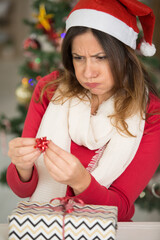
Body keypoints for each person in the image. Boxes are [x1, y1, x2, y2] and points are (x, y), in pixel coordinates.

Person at [7, 0, 160, 221]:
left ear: (125, 55)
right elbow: (22, 190)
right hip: (45, 227)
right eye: (79, 58)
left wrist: (81, 182)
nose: (88, 73)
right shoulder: (49, 90)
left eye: (101, 57)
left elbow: (122, 208)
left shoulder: (152, 115)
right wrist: (22, 167)